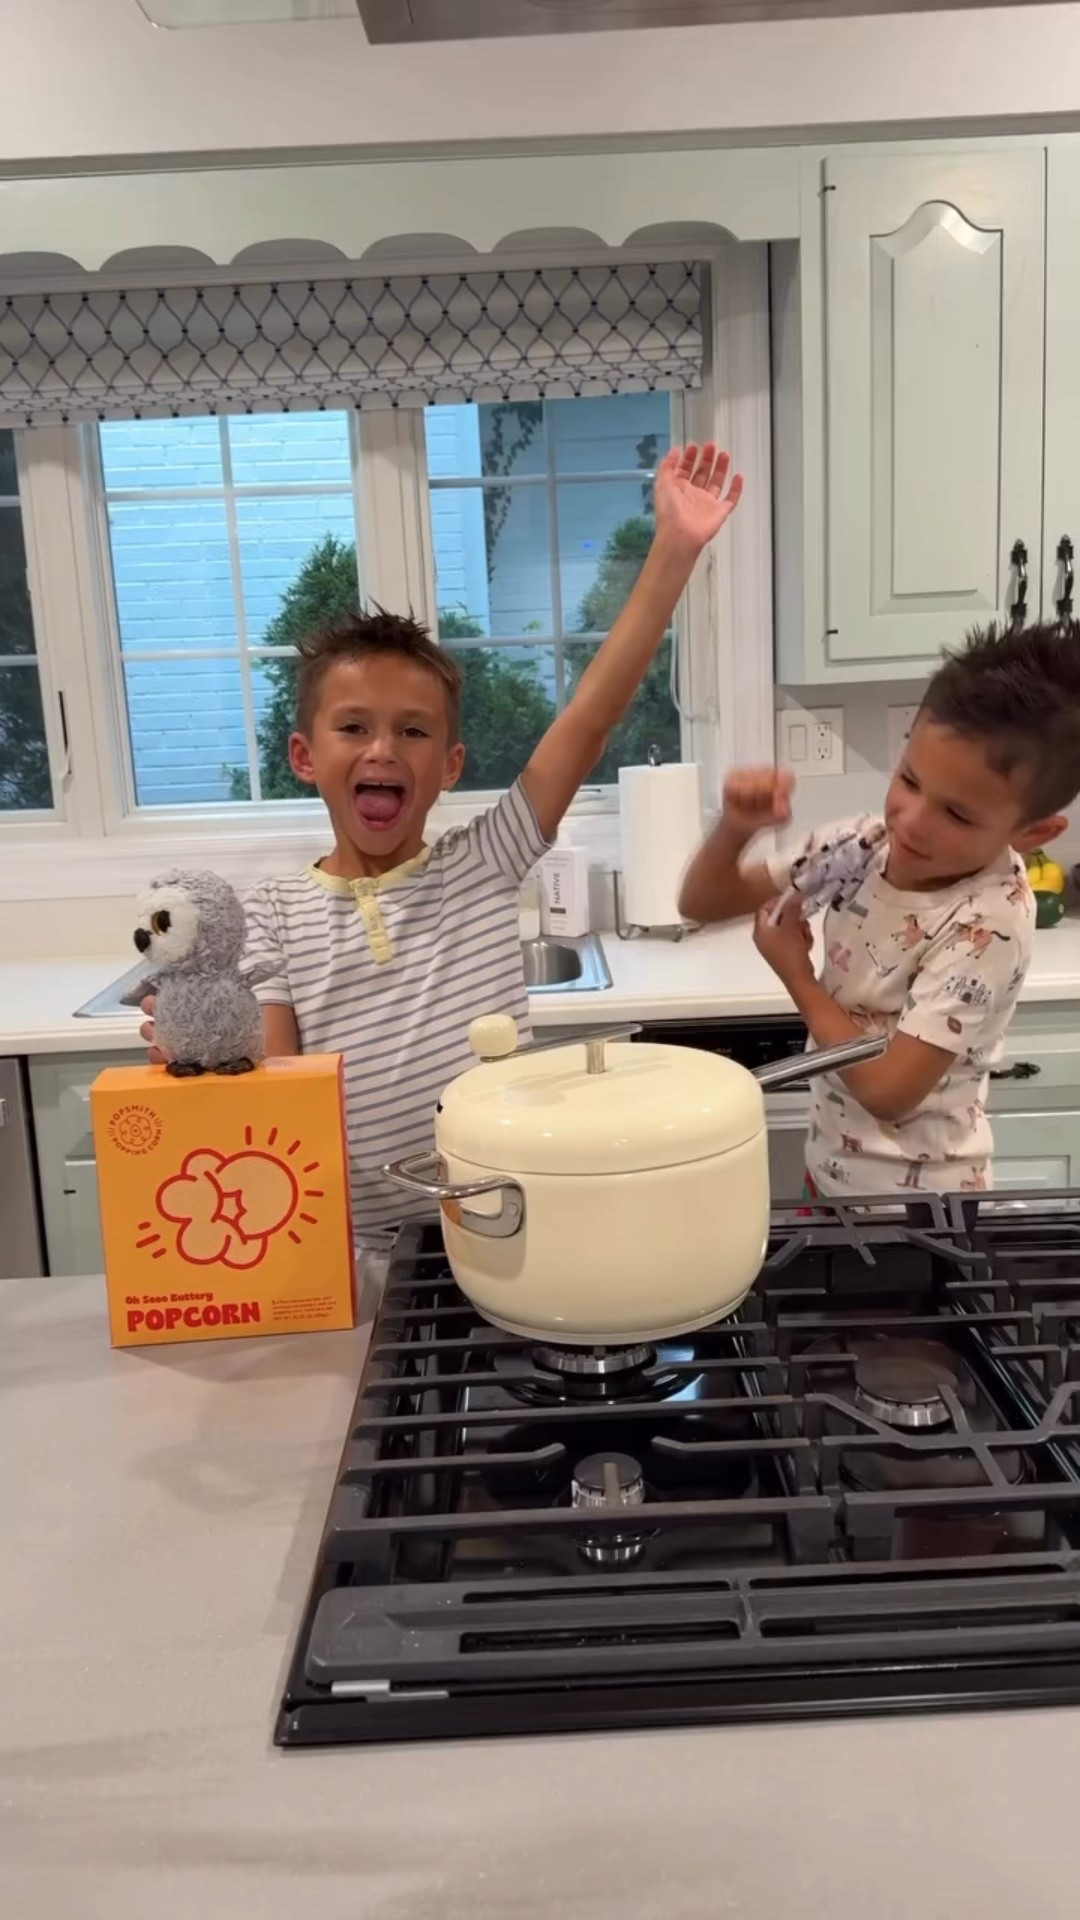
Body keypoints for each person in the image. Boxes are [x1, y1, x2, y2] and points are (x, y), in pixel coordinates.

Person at [143, 443, 743, 1240]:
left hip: (506, 1220)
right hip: (356, 1251)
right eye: (353, 727)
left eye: (413, 731)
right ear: (304, 758)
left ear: (450, 765)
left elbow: (588, 720)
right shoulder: (274, 915)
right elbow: (278, 1098)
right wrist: (205, 1063)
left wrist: (672, 551)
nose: (383, 749)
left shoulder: (487, 862)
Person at [679, 621, 1080, 1198]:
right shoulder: (862, 847)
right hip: (834, 1179)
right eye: (909, 780)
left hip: (924, 1212)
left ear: (1033, 831)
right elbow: (701, 902)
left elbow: (890, 1091)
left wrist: (797, 976)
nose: (911, 821)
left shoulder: (986, 923)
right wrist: (735, 829)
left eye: (958, 815)